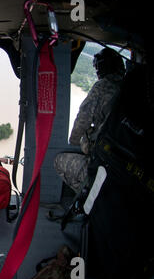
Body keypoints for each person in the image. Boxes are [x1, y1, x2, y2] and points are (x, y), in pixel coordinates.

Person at [54, 48, 125, 193]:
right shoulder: (131, 88)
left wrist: (73, 142)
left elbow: (83, 119)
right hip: (124, 167)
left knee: (59, 161)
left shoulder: (102, 87)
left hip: (104, 164)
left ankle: (88, 197)